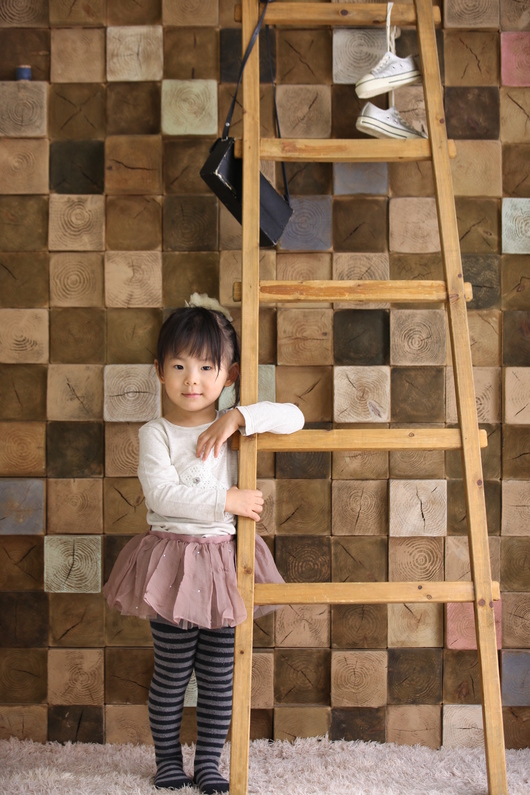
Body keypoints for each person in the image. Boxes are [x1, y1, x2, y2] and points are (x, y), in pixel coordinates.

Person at [104, 295, 304, 794]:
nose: (192, 380)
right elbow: (162, 495)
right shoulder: (157, 433)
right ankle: (168, 760)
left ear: (228, 374)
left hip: (224, 564)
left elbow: (295, 416)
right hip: (172, 561)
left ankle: (210, 764)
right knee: (173, 672)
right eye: (179, 365)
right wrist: (228, 498)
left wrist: (238, 419)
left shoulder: (235, 427)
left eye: (206, 367)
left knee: (218, 675)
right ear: (159, 371)